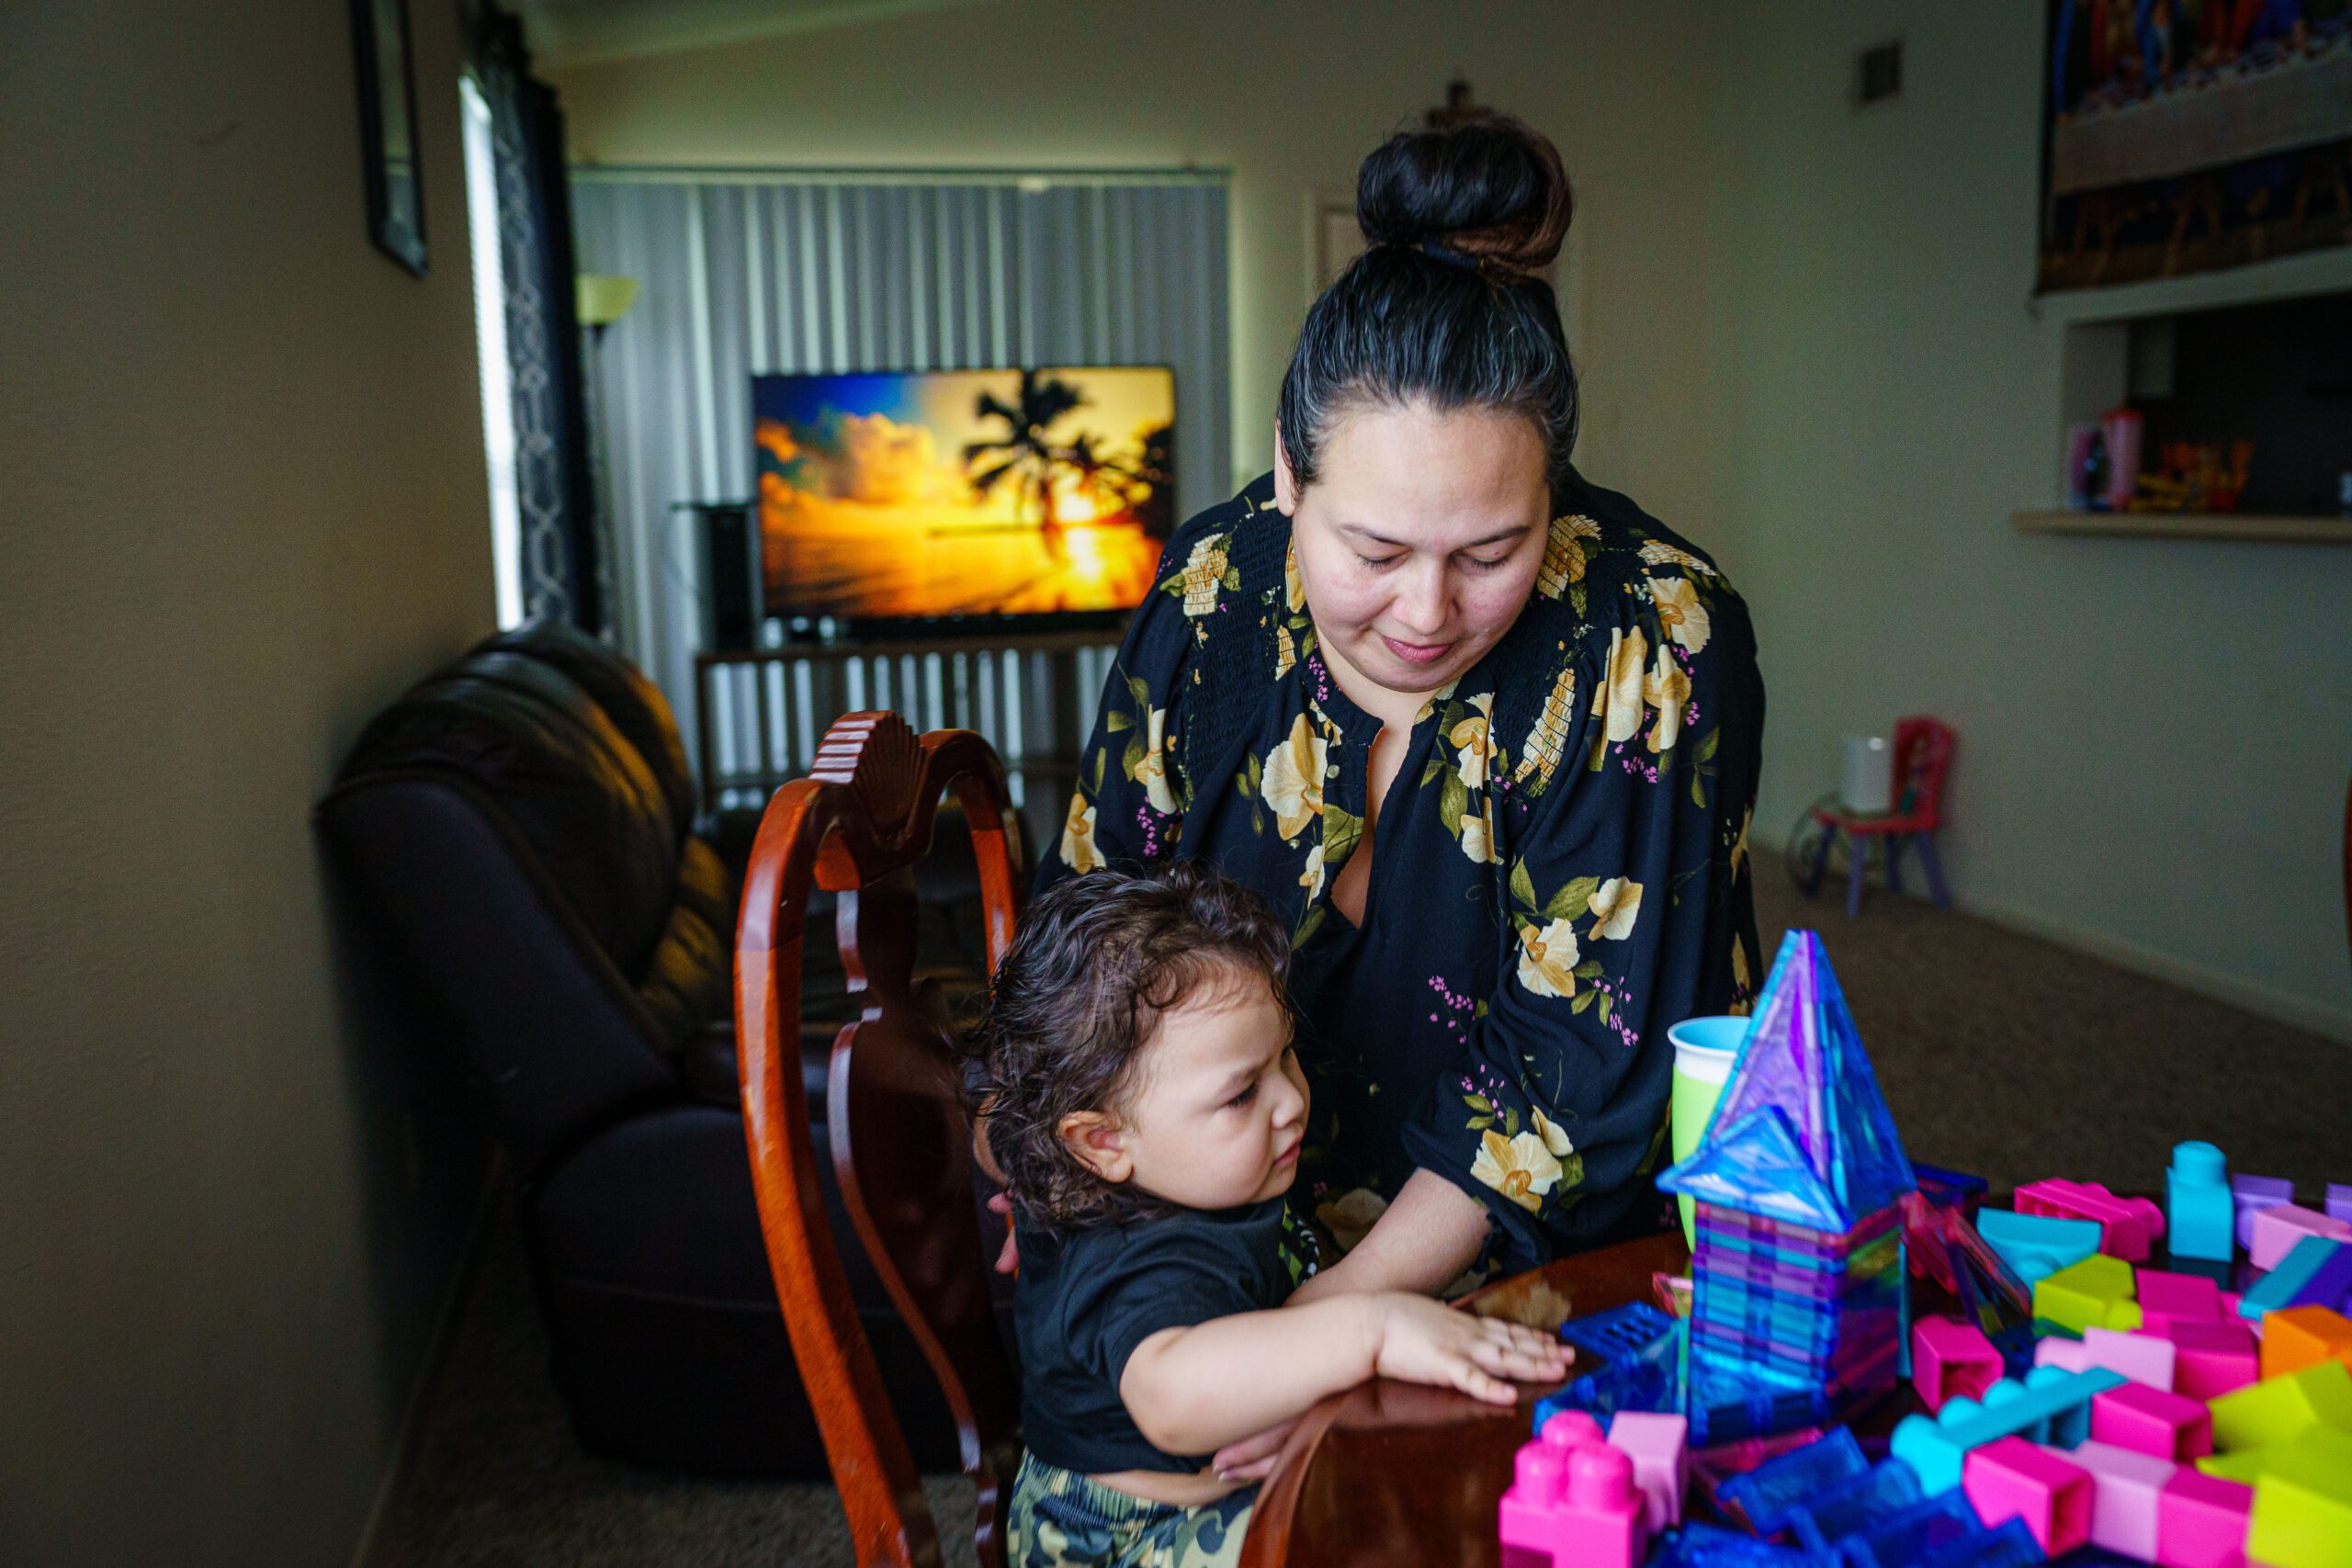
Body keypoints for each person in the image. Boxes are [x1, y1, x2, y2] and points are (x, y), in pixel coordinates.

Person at [1035, 113, 1764, 1476]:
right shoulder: (1212, 592)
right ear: (1287, 471)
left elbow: (1574, 1081)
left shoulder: (1653, 637)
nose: (1424, 614)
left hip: (1524, 1238)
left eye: (1493, 549)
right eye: (1371, 548)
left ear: (1555, 493)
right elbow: (1097, 915)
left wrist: (1334, 1323)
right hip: (1220, 1203)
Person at [969, 863, 1570, 1567]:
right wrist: (1371, 1329)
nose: (1290, 1102)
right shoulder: (1154, 1257)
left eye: (1285, 1056)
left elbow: (1005, 1126)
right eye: (1241, 1094)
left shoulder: (1116, 1148)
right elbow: (1170, 1394)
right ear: (1102, 1141)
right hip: (1128, 1538)